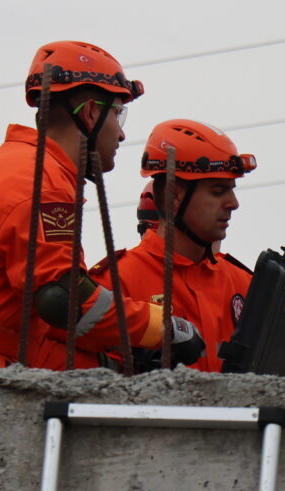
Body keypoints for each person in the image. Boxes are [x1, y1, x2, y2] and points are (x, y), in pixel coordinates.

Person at [0, 41, 205, 371]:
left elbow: (41, 319)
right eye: (118, 113)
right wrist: (163, 327)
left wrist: (113, 363)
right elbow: (62, 298)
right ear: (91, 113)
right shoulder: (43, 179)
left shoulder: (6, 166)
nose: (120, 134)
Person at [93, 119, 257, 372]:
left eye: (232, 190)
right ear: (174, 195)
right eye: (218, 191)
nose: (233, 203)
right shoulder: (116, 282)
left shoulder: (245, 285)